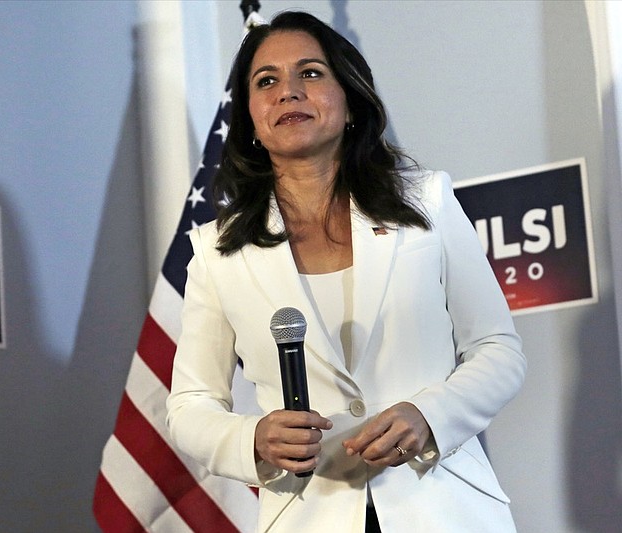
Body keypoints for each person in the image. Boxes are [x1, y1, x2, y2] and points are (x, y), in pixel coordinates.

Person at [165, 10, 526, 533]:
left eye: (310, 73)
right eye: (266, 81)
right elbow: (191, 404)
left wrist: (431, 416)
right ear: (250, 121)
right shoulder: (218, 250)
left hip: (445, 509)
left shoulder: (427, 203)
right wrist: (253, 439)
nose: (288, 92)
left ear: (350, 100)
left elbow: (498, 350)